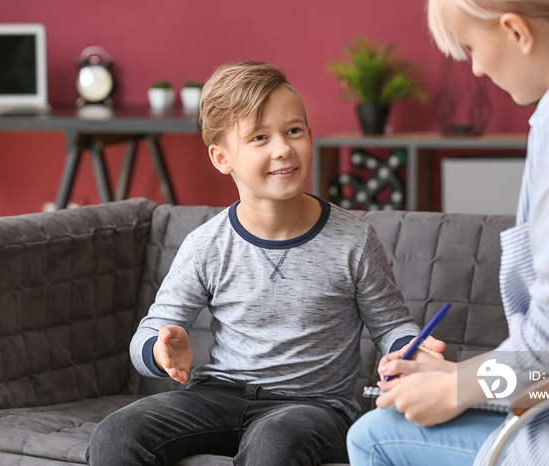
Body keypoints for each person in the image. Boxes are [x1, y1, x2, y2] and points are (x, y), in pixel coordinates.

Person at [87, 61, 444, 466]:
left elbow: (392, 325)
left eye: (294, 130)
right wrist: (159, 348)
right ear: (222, 158)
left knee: (274, 444)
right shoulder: (206, 245)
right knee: (116, 435)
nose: (283, 148)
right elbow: (147, 335)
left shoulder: (354, 240)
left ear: (310, 135)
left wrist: (410, 350)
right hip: (217, 395)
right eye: (259, 137)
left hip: (315, 408)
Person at [347, 0, 549, 465]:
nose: (479, 68)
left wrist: (455, 388)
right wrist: (463, 375)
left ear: (516, 31)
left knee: (374, 436)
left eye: (470, 48)